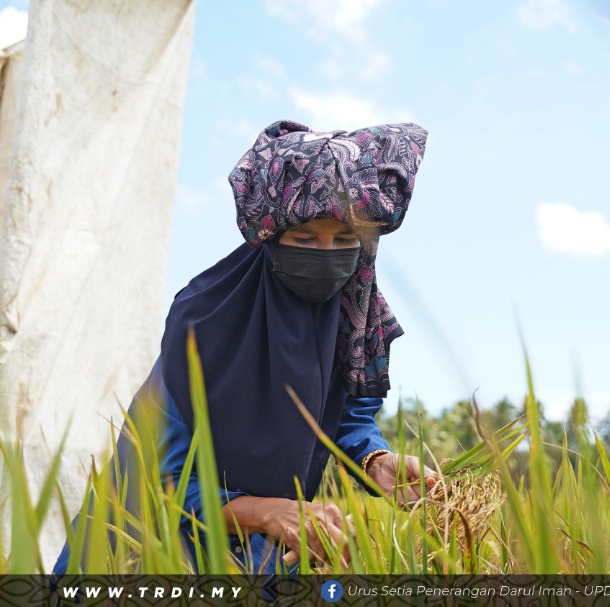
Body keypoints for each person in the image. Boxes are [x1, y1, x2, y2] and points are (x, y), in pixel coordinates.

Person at [53, 119, 434, 574]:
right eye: (305, 239)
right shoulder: (207, 321)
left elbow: (347, 418)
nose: (328, 254)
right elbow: (158, 480)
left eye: (346, 239)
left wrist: (374, 459)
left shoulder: (353, 321)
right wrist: (269, 511)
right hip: (140, 555)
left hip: (261, 559)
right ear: (269, 239)